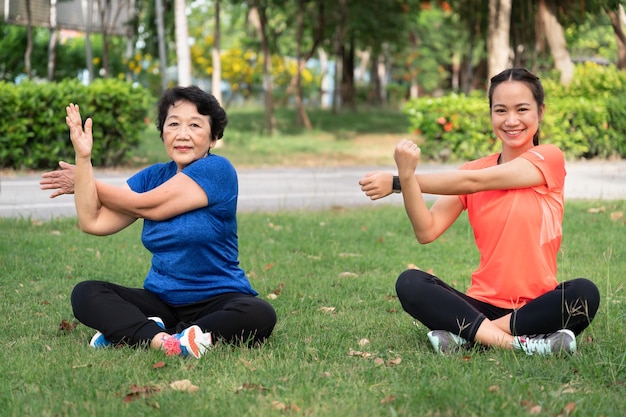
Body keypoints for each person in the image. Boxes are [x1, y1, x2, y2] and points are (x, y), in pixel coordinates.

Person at [358, 68, 600, 355]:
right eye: (501, 110)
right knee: (410, 283)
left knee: (584, 293)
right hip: (481, 303)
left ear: (540, 111)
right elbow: (426, 230)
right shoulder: (471, 169)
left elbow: (476, 182)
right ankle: (522, 343)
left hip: (537, 304)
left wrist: (398, 182)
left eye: (522, 109)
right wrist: (407, 178)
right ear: (491, 114)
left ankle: (471, 335)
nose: (511, 120)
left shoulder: (549, 159)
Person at [40, 86, 277, 359]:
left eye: (195, 125)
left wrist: (86, 181)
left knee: (259, 313)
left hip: (218, 299)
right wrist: (83, 160)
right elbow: (93, 222)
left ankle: (137, 333)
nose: (182, 134)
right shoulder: (152, 176)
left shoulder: (218, 170)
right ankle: (165, 339)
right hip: (161, 300)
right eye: (173, 124)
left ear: (213, 137)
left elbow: (148, 206)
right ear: (163, 132)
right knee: (86, 293)